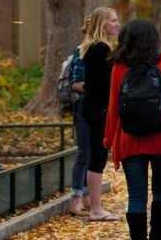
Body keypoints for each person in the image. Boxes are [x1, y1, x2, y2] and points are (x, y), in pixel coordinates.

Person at [104, 19, 161, 240]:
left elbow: (114, 106)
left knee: (136, 196)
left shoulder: (119, 66)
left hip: (129, 140)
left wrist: (108, 139)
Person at [79, 7, 122, 221]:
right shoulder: (100, 49)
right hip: (98, 109)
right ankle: (95, 208)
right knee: (97, 157)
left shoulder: (96, 47)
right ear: (102, 23)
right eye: (113, 21)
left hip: (94, 108)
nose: (117, 24)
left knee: (96, 156)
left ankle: (93, 203)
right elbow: (104, 85)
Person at [68, 39, 89, 216]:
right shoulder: (82, 51)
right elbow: (75, 83)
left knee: (93, 153)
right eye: (112, 21)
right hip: (83, 107)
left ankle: (88, 196)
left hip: (98, 108)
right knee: (84, 153)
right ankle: (76, 198)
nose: (117, 24)